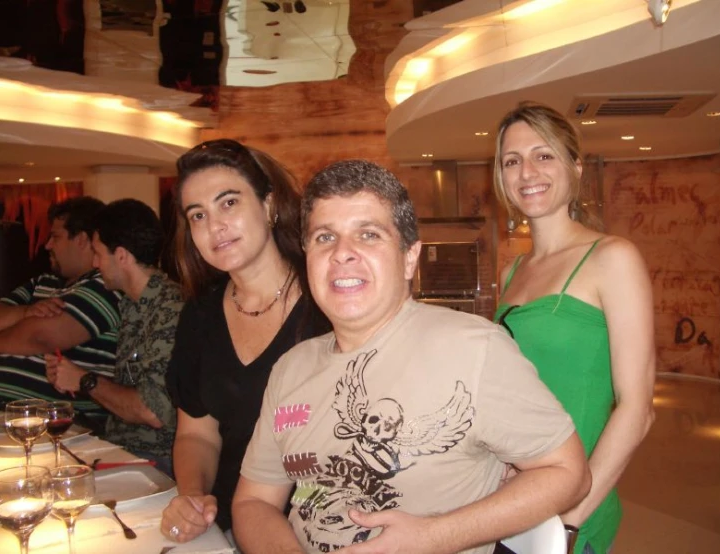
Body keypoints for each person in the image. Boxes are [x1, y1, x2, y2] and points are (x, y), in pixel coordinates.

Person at [231, 159, 591, 553]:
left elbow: (568, 473)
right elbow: (254, 501)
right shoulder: (290, 368)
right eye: (324, 238)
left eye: (368, 234)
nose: (342, 254)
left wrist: (433, 537)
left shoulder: (474, 349)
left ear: (409, 258)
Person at [492, 102, 656, 554]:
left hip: (572, 508)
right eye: (512, 160)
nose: (527, 172)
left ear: (575, 167)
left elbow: (638, 407)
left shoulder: (612, 258)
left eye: (543, 155)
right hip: (514, 497)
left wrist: (569, 520)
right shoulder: (512, 271)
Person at [160, 139, 329, 544]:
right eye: (197, 215)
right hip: (229, 529)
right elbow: (197, 434)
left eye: (229, 203)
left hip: (320, 527)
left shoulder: (329, 301)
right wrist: (194, 496)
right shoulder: (200, 316)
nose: (214, 226)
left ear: (268, 205)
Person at [45, 199, 183, 475]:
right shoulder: (132, 305)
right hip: (120, 449)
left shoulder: (171, 308)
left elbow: (152, 412)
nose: (94, 263)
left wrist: (86, 380)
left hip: (157, 461)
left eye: (98, 253)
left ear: (121, 256)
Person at [0, 196, 121, 423]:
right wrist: (26, 313)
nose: (47, 245)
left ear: (82, 240)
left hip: (60, 422)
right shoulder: (43, 282)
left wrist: (18, 321)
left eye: (55, 237)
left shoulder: (106, 285)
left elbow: (41, 337)